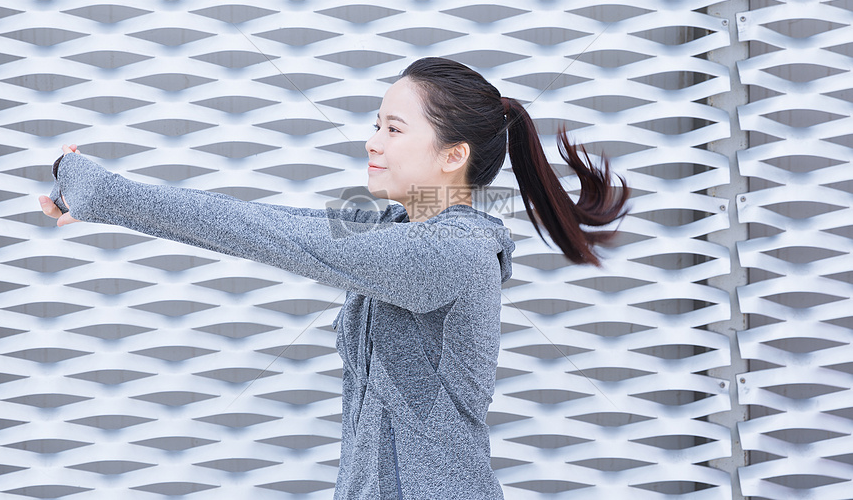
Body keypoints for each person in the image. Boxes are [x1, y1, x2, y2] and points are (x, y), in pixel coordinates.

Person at [40, 57, 628, 499]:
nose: (371, 142)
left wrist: (107, 194)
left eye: (394, 130)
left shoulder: (458, 252)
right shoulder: (387, 225)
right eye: (376, 125)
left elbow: (267, 235)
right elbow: (266, 221)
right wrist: (103, 202)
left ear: (453, 156)